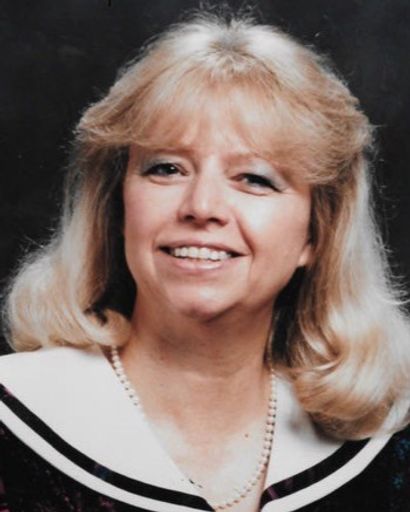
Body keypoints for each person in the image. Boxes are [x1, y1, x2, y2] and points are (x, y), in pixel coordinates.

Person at [1, 9, 410, 512]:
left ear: (317, 234)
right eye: (166, 169)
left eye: (254, 179)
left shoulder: (387, 449)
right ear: (118, 208)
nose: (202, 206)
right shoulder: (13, 418)